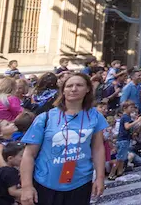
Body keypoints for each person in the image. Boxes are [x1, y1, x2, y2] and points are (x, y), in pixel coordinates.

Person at [19, 72, 107, 205]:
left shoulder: (95, 116)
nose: (74, 89)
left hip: (80, 181)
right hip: (46, 182)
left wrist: (100, 178)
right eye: (69, 86)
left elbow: (98, 148)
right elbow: (29, 154)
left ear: (88, 89)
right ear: (63, 90)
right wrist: (26, 187)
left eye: (79, 85)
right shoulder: (45, 118)